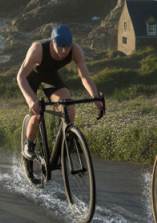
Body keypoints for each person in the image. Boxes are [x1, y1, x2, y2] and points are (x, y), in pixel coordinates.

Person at [16, 25, 103, 161]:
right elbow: (20, 77)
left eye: (67, 46)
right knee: (37, 113)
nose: (64, 51)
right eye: (60, 46)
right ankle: (29, 144)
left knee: (68, 107)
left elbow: (85, 77)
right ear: (52, 42)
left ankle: (63, 145)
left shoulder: (75, 50)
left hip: (50, 76)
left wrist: (95, 96)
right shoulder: (37, 50)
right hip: (30, 78)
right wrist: (31, 100)